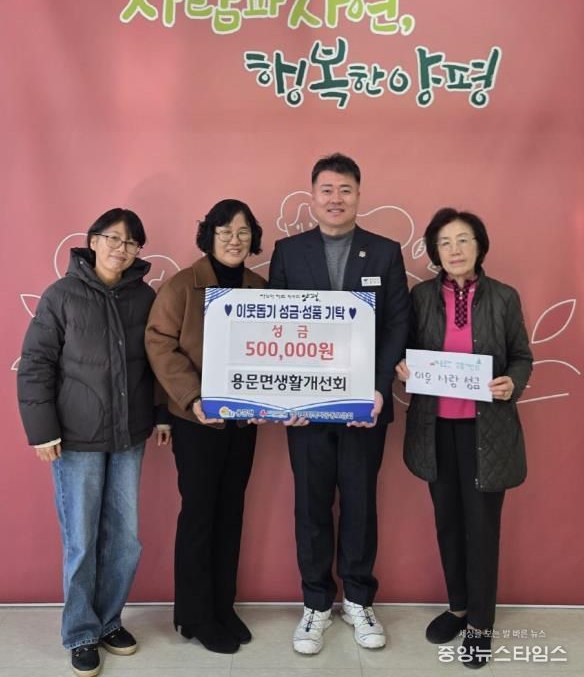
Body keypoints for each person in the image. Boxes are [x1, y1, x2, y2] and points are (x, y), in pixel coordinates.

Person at [17, 208, 171, 677]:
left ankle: (108, 621)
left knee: (124, 540)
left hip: (129, 436)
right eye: (113, 238)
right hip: (76, 440)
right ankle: (81, 632)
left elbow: (158, 362)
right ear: (93, 240)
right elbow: (36, 363)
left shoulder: (145, 297)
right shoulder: (61, 296)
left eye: (131, 242)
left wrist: (162, 415)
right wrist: (42, 430)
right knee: (81, 540)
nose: (121, 249)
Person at [268, 153, 409, 655]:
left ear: (358, 195)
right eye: (326, 189)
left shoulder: (385, 252)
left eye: (345, 189)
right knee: (310, 505)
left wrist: (378, 387)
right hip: (305, 409)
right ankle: (315, 604)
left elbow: (397, 323)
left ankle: (358, 599)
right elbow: (276, 324)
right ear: (312, 196)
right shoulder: (288, 252)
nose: (335, 198)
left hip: (364, 406)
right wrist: (285, 395)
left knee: (360, 502)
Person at [396, 207, 533, 670]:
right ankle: (457, 606)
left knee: (482, 528)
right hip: (435, 429)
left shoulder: (504, 297)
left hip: (486, 432)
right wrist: (402, 367)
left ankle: (480, 623)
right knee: (448, 521)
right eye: (445, 243)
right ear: (435, 251)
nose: (454, 250)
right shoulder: (420, 297)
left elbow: (521, 356)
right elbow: (405, 349)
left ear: (480, 246)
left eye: (464, 240)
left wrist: (513, 382)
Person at [145, 199, 266, 655]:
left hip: (243, 422)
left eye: (243, 231)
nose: (235, 239)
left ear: (253, 238)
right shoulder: (183, 285)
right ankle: (194, 616)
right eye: (225, 231)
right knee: (199, 514)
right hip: (196, 421)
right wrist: (194, 398)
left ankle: (222, 606)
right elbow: (159, 344)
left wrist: (269, 400)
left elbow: (274, 351)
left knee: (231, 511)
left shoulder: (261, 288)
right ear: (209, 236)